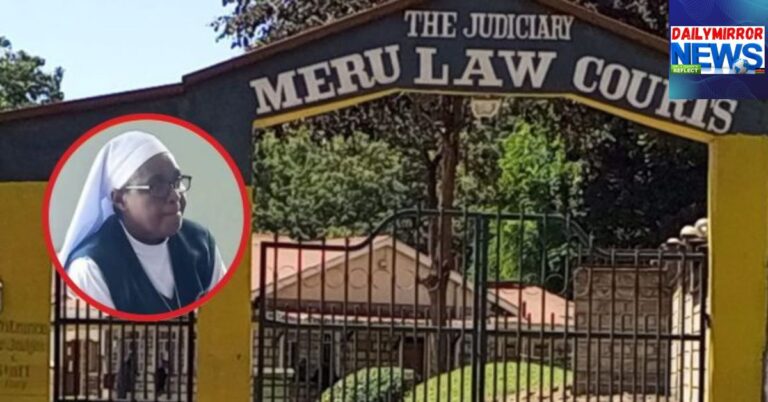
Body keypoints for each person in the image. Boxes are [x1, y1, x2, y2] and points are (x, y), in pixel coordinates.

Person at [58, 131, 227, 314]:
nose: (175, 195)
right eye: (157, 187)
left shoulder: (201, 244)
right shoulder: (91, 267)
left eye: (177, 182)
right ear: (120, 200)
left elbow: (225, 314)